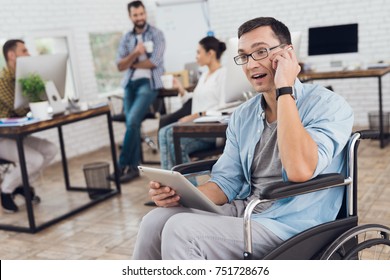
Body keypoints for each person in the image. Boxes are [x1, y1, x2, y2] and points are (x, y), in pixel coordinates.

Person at [132, 17, 354, 260]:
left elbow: (299, 170)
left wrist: (284, 90)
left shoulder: (328, 105)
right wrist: (179, 196)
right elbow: (227, 182)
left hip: (294, 224)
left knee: (182, 231)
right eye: (244, 56)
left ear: (288, 54)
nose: (250, 65)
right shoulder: (243, 115)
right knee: (155, 220)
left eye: (260, 52)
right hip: (249, 210)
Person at [107, 0, 165, 183]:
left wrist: (129, 62)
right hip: (129, 84)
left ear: (145, 13)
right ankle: (133, 167)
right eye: (135, 15)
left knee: (132, 120)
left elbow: (154, 62)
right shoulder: (126, 38)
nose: (139, 18)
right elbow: (119, 66)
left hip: (148, 83)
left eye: (142, 14)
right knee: (131, 124)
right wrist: (135, 53)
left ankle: (121, 165)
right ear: (130, 16)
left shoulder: (156, 34)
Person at [0, 39, 57, 213]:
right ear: (11, 55)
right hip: (3, 138)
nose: (29, 54)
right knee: (36, 160)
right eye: (24, 51)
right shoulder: (3, 81)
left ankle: (22, 185)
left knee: (51, 149)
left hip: (18, 134)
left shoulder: (23, 79)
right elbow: (20, 107)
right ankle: (6, 190)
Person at [158, 36, 227, 171]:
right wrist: (181, 89)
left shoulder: (223, 75)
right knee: (163, 133)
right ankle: (170, 184)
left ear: (210, 53)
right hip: (196, 127)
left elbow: (225, 108)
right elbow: (197, 99)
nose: (196, 57)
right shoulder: (204, 75)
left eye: (198, 52)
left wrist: (196, 115)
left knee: (175, 143)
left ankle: (188, 188)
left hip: (211, 131)